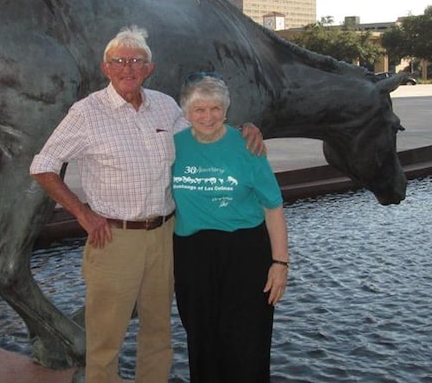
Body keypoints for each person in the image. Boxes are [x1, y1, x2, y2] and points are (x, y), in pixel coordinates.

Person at [29, 26, 263, 383]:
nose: (129, 68)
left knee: (158, 334)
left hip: (165, 236)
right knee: (106, 340)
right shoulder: (87, 112)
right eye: (119, 61)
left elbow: (205, 132)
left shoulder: (165, 106)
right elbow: (42, 166)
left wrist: (246, 128)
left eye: (137, 61)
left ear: (149, 69)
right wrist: (82, 213)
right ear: (105, 67)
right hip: (114, 239)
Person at [171, 72, 289, 383]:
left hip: (246, 252)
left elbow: (273, 207)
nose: (207, 117)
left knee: (248, 341)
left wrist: (280, 263)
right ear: (186, 112)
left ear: (226, 110)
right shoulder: (173, 147)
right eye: (199, 110)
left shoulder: (247, 146)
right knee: (202, 340)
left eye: (215, 109)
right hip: (193, 255)